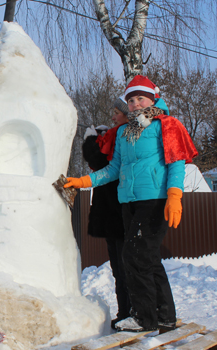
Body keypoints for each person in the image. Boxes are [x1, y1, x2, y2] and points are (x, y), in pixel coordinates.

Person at [65, 76, 198, 332]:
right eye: (131, 100)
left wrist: (174, 196)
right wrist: (83, 180)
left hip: (154, 200)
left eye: (140, 98)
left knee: (134, 255)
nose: (136, 104)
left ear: (152, 99)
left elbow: (176, 162)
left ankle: (143, 317)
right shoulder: (126, 132)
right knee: (148, 258)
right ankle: (165, 316)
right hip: (129, 202)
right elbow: (114, 169)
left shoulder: (166, 125)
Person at [80, 96, 131, 330]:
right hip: (114, 213)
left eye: (116, 113)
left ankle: (130, 312)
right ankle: (126, 312)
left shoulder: (124, 137)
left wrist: (91, 141)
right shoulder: (117, 136)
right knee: (119, 268)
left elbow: (99, 162)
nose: (112, 117)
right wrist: (101, 138)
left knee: (124, 267)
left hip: (119, 212)